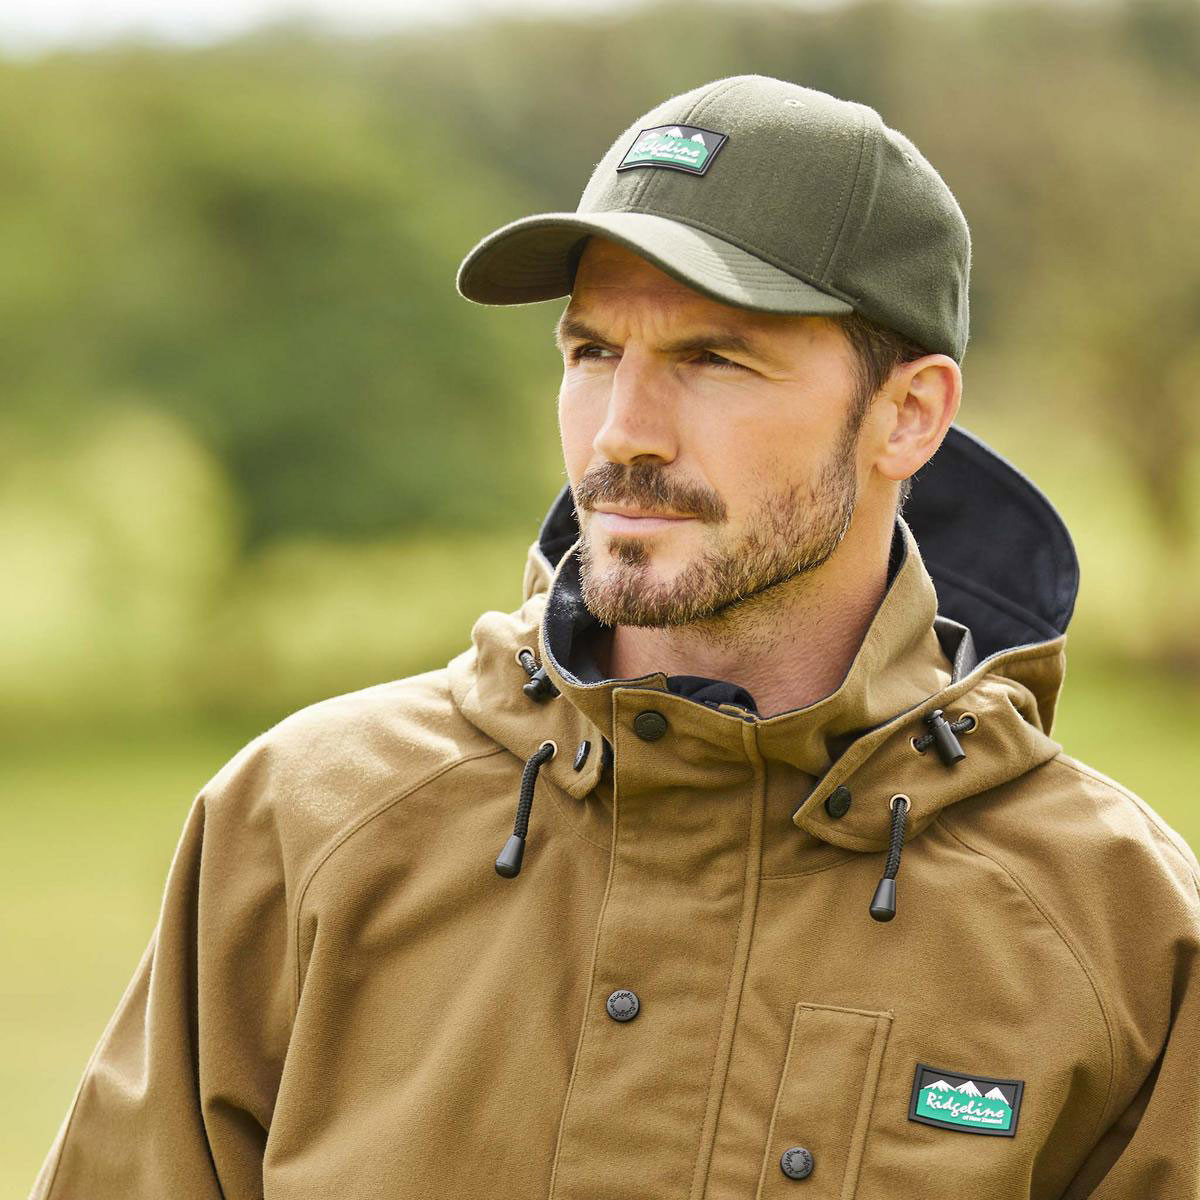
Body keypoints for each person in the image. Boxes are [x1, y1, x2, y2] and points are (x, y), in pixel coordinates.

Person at [29, 74, 1200, 1200]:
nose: (622, 432)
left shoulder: (1123, 932)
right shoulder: (302, 822)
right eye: (593, 352)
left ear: (909, 415)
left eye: (712, 358)